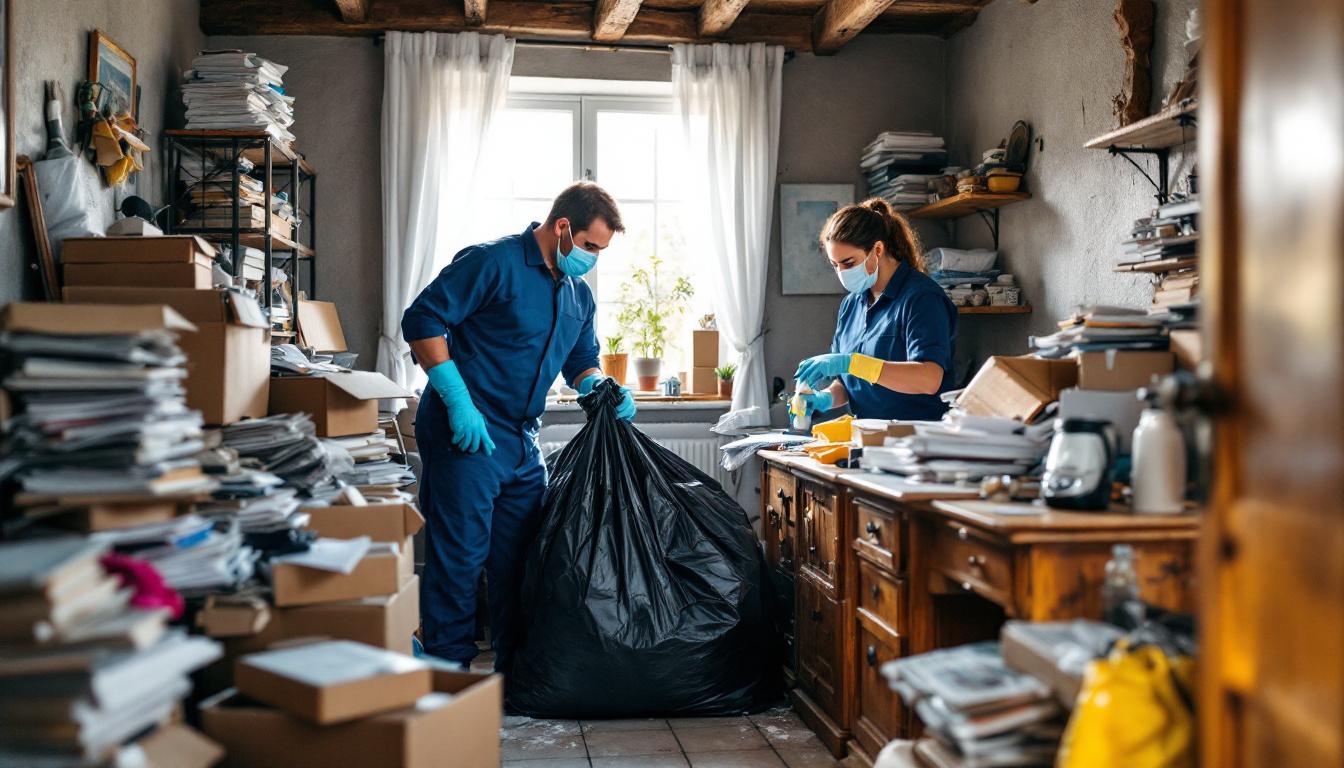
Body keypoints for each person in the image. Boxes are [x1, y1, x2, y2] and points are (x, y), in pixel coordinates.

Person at [400, 181, 637, 670]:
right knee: (460, 559)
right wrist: (458, 400)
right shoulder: (493, 262)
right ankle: (447, 673)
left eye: (601, 251)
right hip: (464, 429)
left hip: (521, 440)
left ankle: (517, 673)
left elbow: (581, 361)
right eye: (590, 246)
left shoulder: (577, 296)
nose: (593, 259)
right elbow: (422, 320)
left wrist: (601, 389)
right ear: (563, 226)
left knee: (521, 561)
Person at [793, 197, 957, 421]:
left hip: (917, 439)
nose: (841, 272)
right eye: (835, 265)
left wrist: (852, 362)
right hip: (869, 437)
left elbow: (928, 380)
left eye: (849, 263)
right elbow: (846, 382)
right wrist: (825, 398)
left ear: (877, 249)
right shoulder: (851, 305)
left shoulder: (921, 298)